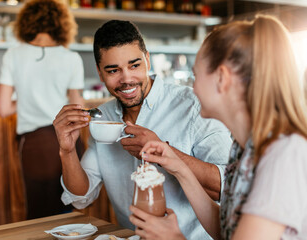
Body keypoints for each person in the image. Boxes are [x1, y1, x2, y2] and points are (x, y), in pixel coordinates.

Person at [129, 15, 307, 239]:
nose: (192, 88)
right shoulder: (244, 148)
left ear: (221, 78)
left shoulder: (284, 155)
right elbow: (228, 230)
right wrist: (179, 168)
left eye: (196, 75)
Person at [53, 20, 232, 239]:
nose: (126, 79)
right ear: (100, 74)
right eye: (113, 70)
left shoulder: (194, 106)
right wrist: (67, 151)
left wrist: (164, 153)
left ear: (147, 60)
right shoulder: (103, 118)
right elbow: (82, 196)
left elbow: (227, 187)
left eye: (134, 65)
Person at [0, 0, 84, 219]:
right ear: (62, 24)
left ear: (26, 22)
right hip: (69, 139)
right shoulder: (72, 58)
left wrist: (25, 99)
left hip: (35, 144)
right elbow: (78, 108)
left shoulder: (13, 55)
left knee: (39, 214)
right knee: (69, 210)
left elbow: (3, 108)